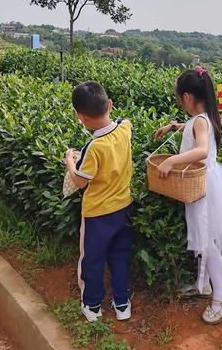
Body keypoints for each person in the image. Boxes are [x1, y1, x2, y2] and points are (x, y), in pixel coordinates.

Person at [154, 67, 222, 324]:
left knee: (208, 241)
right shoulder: (205, 117)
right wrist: (175, 126)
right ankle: (207, 285)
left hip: (204, 187)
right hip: (208, 183)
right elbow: (196, 131)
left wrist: (172, 161)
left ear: (188, 97)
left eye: (180, 98)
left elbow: (201, 149)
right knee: (205, 236)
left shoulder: (200, 121)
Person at [65, 81, 133, 323]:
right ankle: (122, 303)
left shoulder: (93, 147)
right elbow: (124, 120)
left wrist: (70, 162)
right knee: (120, 256)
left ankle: (93, 305)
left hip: (96, 214)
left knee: (92, 259)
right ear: (110, 104)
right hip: (123, 207)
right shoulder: (125, 129)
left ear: (80, 117)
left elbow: (80, 181)